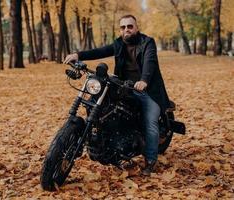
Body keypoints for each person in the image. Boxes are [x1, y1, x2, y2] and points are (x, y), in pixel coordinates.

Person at [63, 14, 170, 176]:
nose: (126, 30)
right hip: (122, 86)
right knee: (102, 106)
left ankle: (150, 160)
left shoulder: (147, 42)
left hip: (146, 90)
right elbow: (101, 51)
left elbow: (150, 63)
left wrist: (144, 80)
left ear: (136, 28)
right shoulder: (119, 43)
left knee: (151, 124)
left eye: (130, 26)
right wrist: (78, 55)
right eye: (123, 27)